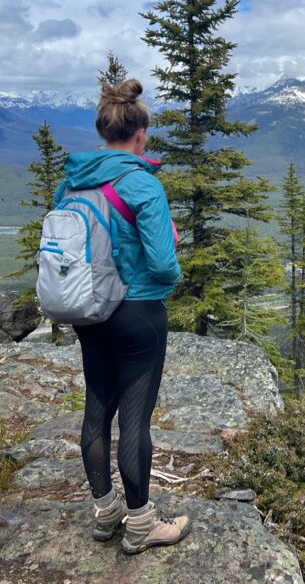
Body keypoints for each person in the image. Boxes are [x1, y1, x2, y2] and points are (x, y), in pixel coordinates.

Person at [52, 78, 190, 554]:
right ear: (139, 135)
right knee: (135, 419)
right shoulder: (141, 184)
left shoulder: (70, 181)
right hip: (137, 315)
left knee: (97, 410)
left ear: (103, 131)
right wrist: (166, 278)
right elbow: (163, 264)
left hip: (89, 310)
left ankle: (105, 511)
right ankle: (140, 524)